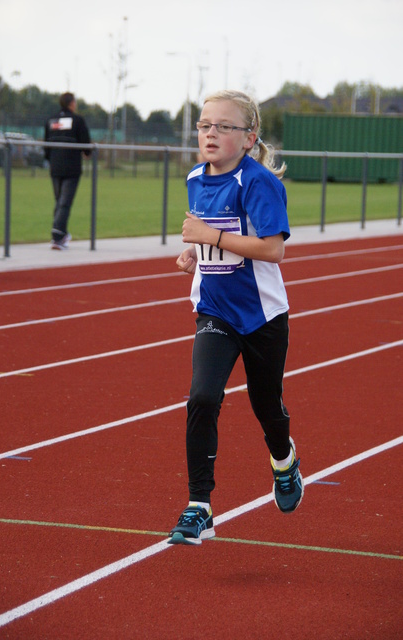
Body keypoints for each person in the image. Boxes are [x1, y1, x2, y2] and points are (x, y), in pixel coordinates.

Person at [168, 90, 303, 546]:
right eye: (205, 125)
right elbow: (214, 231)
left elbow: (272, 249)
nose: (210, 134)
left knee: (267, 406)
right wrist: (195, 250)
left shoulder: (259, 182)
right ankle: (198, 506)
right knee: (202, 397)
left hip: (263, 316)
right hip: (215, 310)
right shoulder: (194, 177)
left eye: (223, 127)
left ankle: (284, 462)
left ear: (248, 138)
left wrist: (208, 236)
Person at [44, 92, 91, 250]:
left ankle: (61, 234)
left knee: (60, 202)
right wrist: (87, 153)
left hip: (55, 168)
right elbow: (86, 144)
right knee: (64, 203)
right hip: (71, 169)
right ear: (71, 103)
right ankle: (57, 237)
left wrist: (51, 160)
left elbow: (46, 147)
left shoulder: (51, 120)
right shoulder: (77, 120)